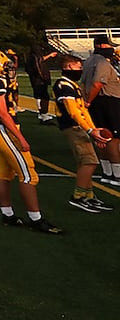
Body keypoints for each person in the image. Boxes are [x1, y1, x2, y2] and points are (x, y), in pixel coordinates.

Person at [0, 47, 62, 233]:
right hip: (3, 130)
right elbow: (3, 114)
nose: (7, 68)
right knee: (29, 175)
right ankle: (36, 219)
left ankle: (7, 214)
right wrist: (20, 138)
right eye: (4, 64)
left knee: (4, 174)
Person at [52, 55, 114, 213]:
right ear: (68, 67)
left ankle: (88, 195)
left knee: (86, 161)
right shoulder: (63, 85)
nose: (81, 70)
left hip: (80, 126)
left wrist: (94, 130)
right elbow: (73, 111)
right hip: (73, 127)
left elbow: (83, 111)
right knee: (89, 162)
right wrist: (89, 130)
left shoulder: (72, 85)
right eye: (78, 67)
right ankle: (79, 196)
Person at [80, 37, 120, 188]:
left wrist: (87, 101)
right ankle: (117, 175)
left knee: (101, 138)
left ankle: (107, 172)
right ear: (102, 45)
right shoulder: (102, 62)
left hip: (98, 103)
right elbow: (98, 83)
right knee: (113, 139)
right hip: (108, 101)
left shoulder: (89, 61)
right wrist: (89, 100)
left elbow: (84, 83)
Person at [26, 42, 57, 122]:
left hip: (35, 79)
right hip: (39, 80)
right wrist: (50, 55)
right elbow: (39, 60)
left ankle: (42, 113)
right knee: (44, 97)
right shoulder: (35, 57)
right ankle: (44, 114)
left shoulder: (30, 57)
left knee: (39, 96)